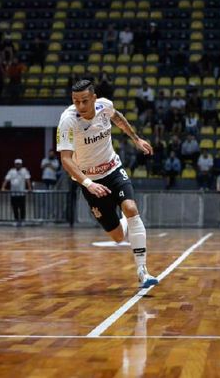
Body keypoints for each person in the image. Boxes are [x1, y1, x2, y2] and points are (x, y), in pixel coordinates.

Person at [57, 79, 159, 288]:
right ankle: (120, 221)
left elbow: (119, 118)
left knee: (131, 208)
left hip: (113, 169)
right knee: (118, 237)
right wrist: (87, 184)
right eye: (76, 101)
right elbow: (65, 159)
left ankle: (142, 271)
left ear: (94, 98)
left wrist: (136, 139)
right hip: (90, 182)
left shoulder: (105, 106)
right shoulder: (67, 121)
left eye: (85, 101)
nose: (80, 106)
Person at [1, 158, 32, 224]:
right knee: (15, 207)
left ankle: (23, 220)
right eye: (17, 164)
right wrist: (3, 187)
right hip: (13, 194)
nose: (18, 165)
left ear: (21, 164)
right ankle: (16, 220)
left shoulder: (24, 171)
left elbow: (27, 179)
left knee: (22, 208)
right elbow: (6, 179)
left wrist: (29, 187)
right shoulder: (11, 171)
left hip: (21, 193)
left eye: (19, 164)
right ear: (15, 164)